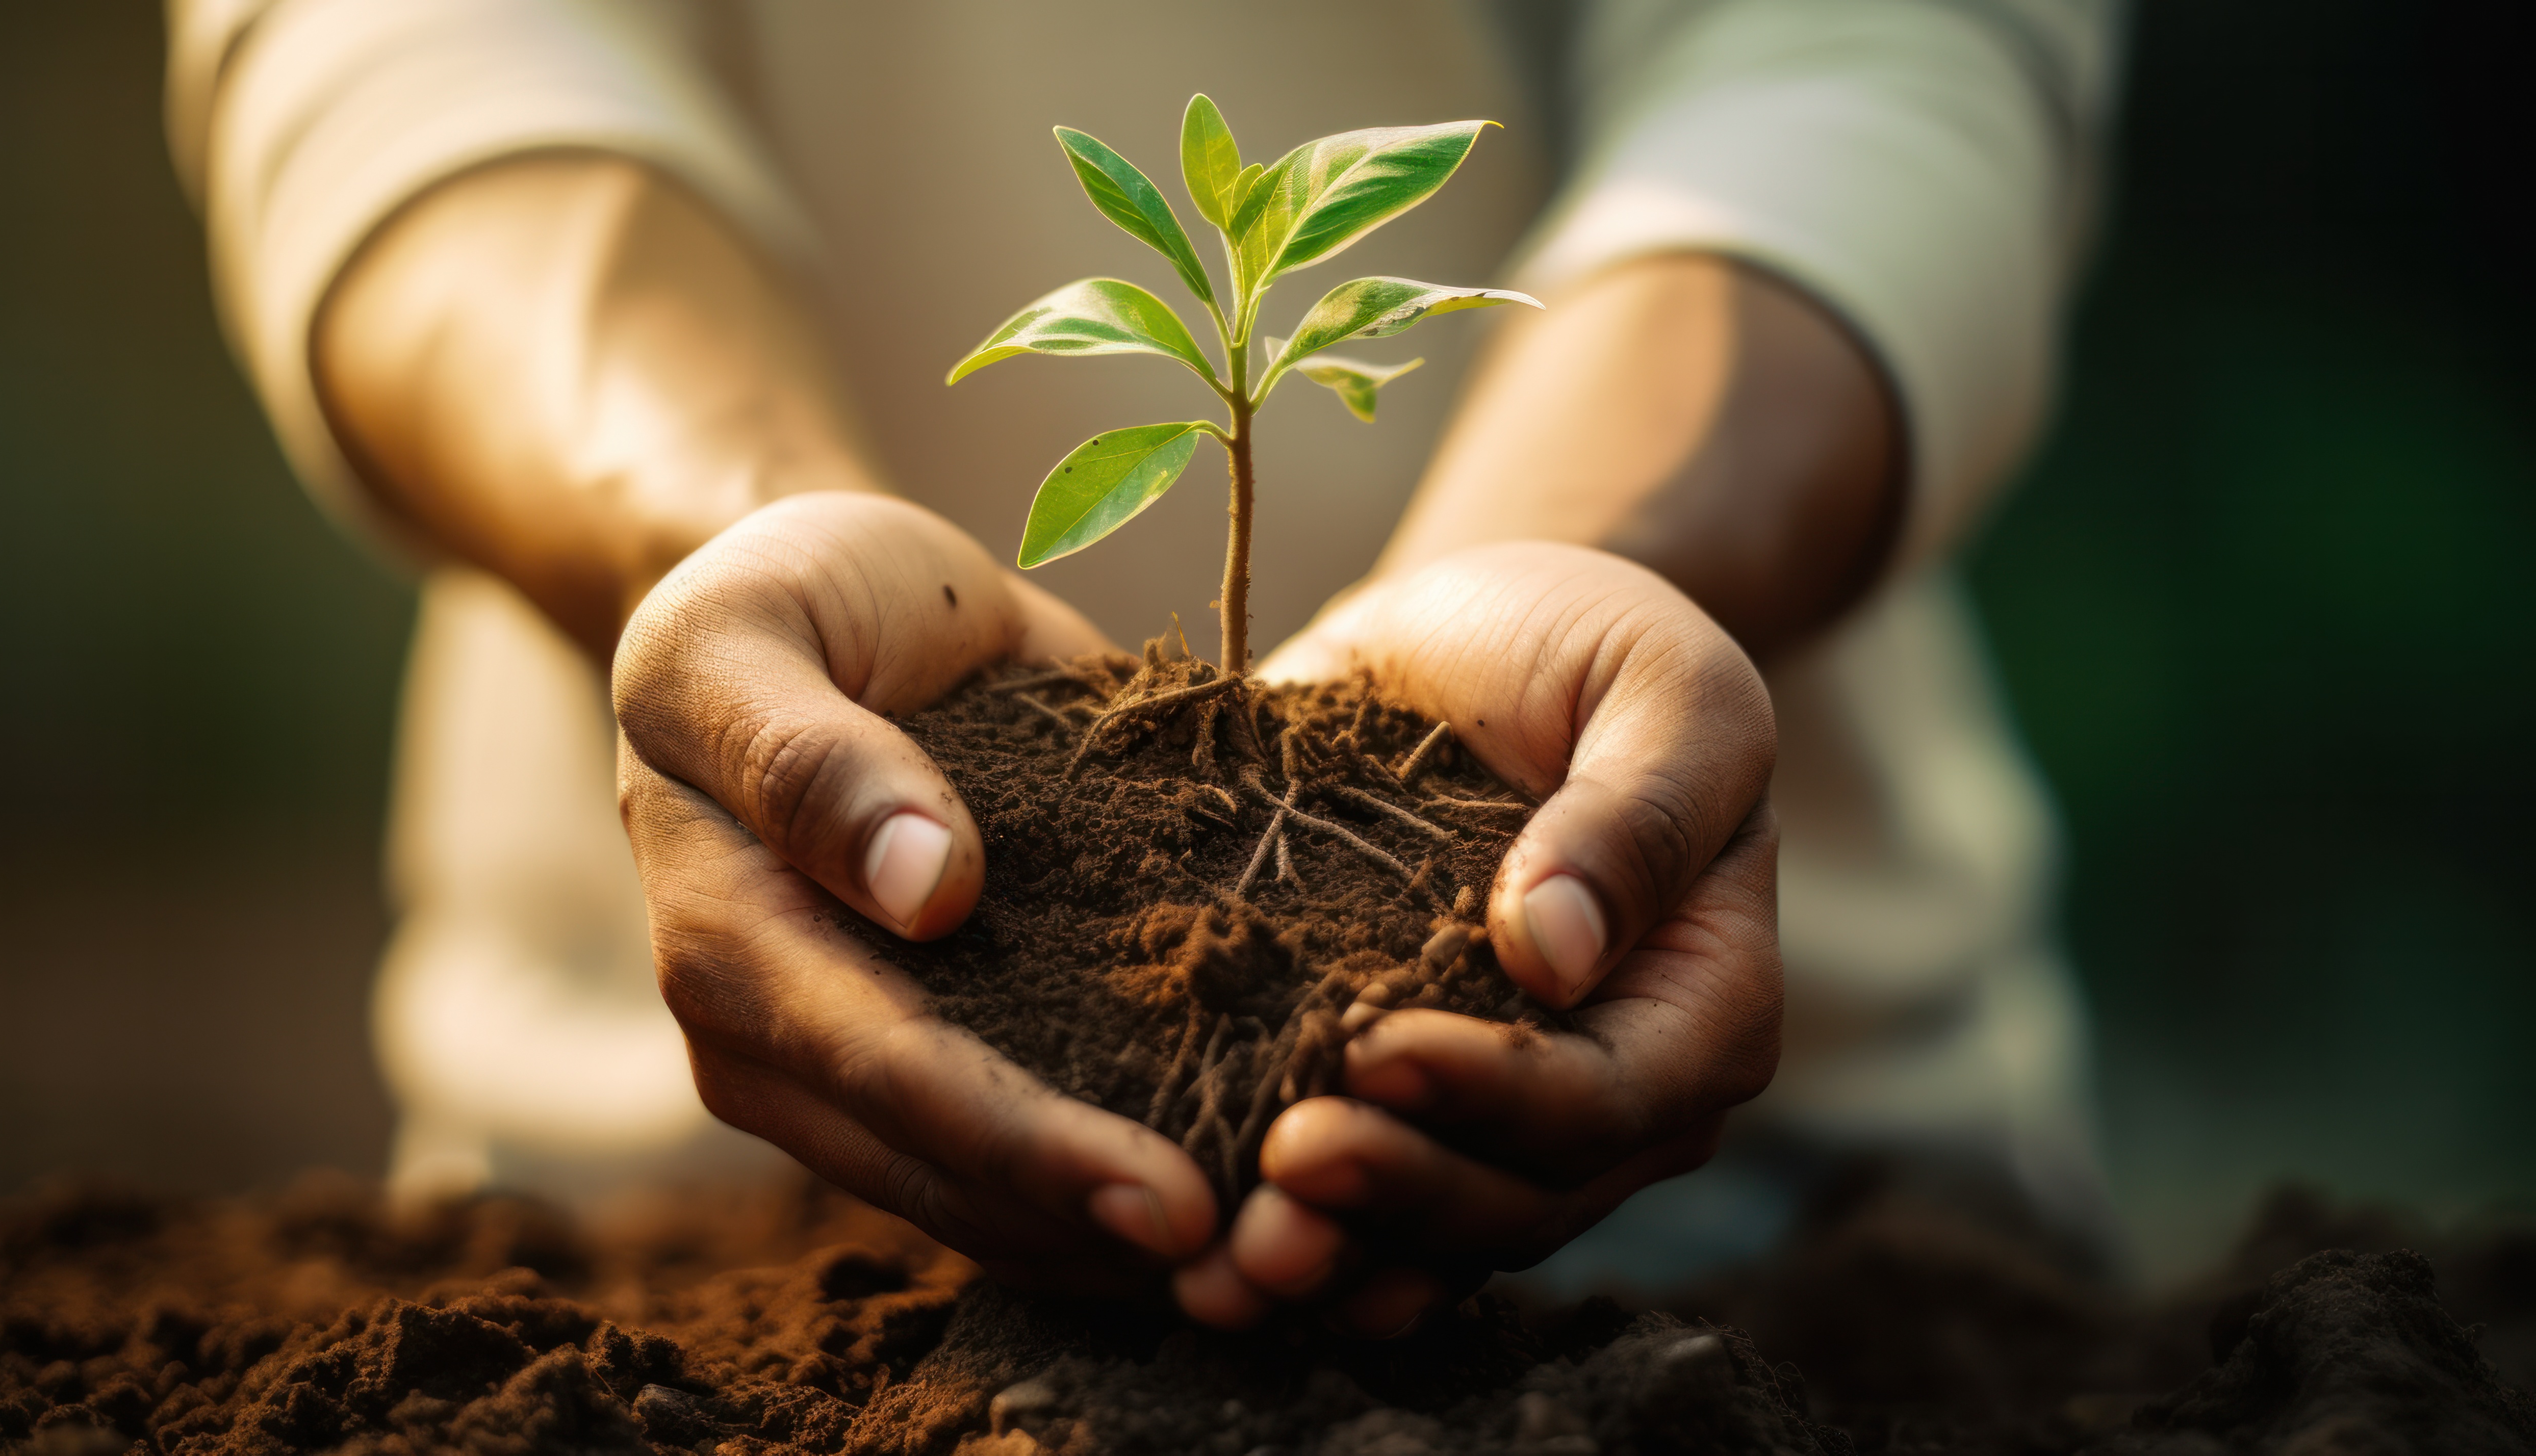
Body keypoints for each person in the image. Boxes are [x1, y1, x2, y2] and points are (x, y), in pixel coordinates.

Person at [167, 0, 2124, 1332]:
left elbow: (1877, 53)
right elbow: (403, 49)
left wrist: (1580, 577)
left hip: (1780, 1239)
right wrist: (726, 558)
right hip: (656, 1243)